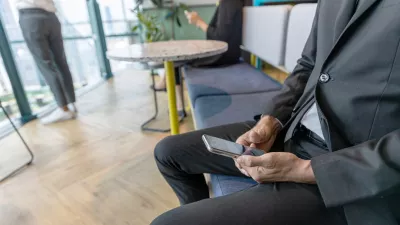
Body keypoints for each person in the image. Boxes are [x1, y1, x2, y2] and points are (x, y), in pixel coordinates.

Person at [152, 0, 400, 224]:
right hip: (293, 131)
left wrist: (305, 170)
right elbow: (309, 64)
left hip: (347, 164)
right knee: (168, 153)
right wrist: (271, 120)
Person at [152, 0, 244, 115]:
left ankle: (179, 106)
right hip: (230, 53)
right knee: (181, 53)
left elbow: (220, 37)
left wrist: (198, 22)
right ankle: (166, 84)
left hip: (223, 55)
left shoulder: (228, 2)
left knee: (176, 57)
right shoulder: (230, 3)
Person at [16, 0, 77, 124]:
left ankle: (63, 108)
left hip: (30, 16)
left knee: (46, 65)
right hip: (51, 16)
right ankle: (71, 103)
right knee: (61, 62)